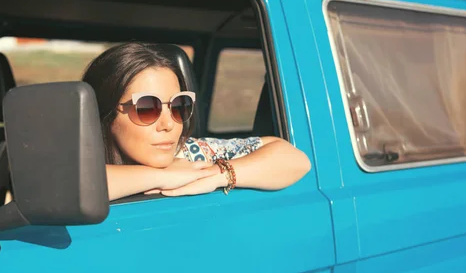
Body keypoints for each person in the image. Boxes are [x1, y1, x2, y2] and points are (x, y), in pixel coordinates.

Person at [82, 42, 311, 201]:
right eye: (146, 108)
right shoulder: (72, 158)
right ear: (104, 113)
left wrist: (218, 175)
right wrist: (163, 176)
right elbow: (64, 187)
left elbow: (295, 160)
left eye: (179, 106)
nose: (169, 124)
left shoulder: (190, 154)